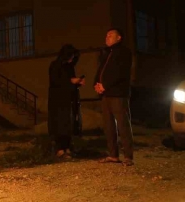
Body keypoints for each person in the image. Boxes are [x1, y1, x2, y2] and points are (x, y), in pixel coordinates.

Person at [93, 28, 134, 166]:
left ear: (119, 38)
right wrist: (96, 84)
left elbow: (120, 73)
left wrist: (106, 85)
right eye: (106, 35)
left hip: (117, 94)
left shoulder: (123, 52)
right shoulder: (106, 53)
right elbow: (100, 70)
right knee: (108, 125)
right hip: (105, 95)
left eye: (110, 35)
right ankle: (113, 155)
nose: (107, 37)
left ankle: (128, 156)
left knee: (122, 124)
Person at [48, 44, 84, 159]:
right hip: (58, 99)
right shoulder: (55, 65)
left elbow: (71, 81)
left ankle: (67, 147)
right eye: (71, 57)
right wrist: (70, 81)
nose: (71, 59)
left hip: (69, 99)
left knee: (69, 123)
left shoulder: (69, 67)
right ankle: (60, 149)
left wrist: (78, 82)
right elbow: (55, 81)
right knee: (59, 123)